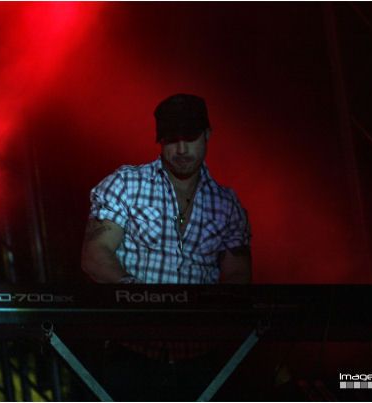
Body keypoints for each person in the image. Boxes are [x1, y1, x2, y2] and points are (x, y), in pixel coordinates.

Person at [80, 93, 252, 401]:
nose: (182, 149)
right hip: (132, 355)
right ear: (160, 140)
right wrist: (140, 296)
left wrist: (210, 317)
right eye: (172, 140)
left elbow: (239, 276)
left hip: (201, 362)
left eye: (191, 137)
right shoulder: (125, 184)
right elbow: (95, 254)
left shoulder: (227, 205)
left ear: (208, 134)